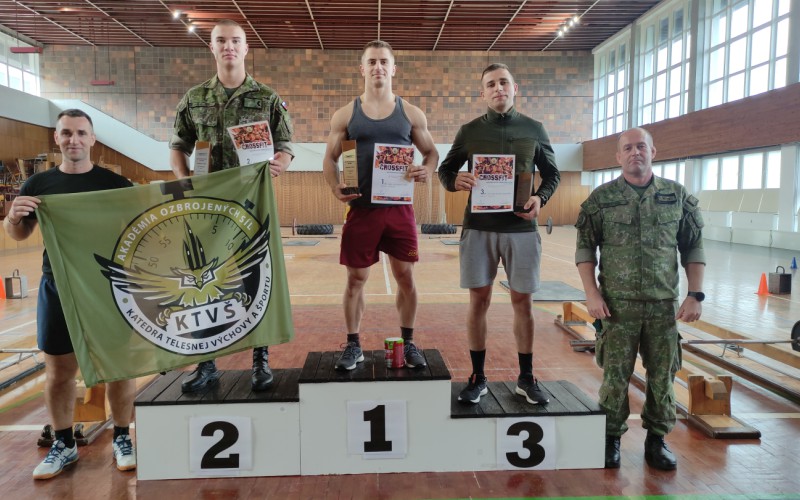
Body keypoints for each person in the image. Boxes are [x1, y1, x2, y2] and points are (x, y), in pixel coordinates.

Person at [4, 109, 137, 479]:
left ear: (92, 139)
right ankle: (64, 443)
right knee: (59, 370)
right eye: (66, 133)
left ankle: (122, 437)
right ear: (57, 138)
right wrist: (12, 217)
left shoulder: (116, 184)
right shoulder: (38, 185)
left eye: (80, 133)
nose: (73, 139)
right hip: (58, 286)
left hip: (106, 286)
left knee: (118, 366)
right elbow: (19, 233)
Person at [169, 19, 294, 393]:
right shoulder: (194, 99)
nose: (228, 47)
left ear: (245, 48)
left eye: (235, 41)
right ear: (211, 47)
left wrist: (281, 163)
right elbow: (178, 146)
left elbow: (286, 146)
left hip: (251, 206)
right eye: (221, 40)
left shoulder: (267, 98)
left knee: (255, 280)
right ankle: (207, 365)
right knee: (203, 284)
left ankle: (260, 360)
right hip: (205, 210)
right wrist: (183, 181)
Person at [574, 127, 705, 471]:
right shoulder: (601, 199)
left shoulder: (677, 196)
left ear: (653, 151)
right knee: (615, 376)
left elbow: (694, 247)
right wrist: (591, 293)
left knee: (662, 378)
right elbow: (585, 249)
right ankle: (610, 437)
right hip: (616, 307)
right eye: (628, 148)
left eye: (641, 147)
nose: (636, 152)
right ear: (618, 156)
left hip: (664, 307)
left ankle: (657, 440)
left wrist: (695, 295)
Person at [438, 63, 560, 406]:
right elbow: (445, 170)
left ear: (515, 88)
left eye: (504, 82)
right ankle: (477, 377)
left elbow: (552, 174)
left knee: (524, 303)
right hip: (479, 228)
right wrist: (454, 181)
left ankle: (526, 377)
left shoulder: (534, 129)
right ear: (483, 93)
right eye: (491, 84)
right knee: (479, 301)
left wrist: (540, 198)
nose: (498, 89)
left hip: (521, 229)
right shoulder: (469, 131)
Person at [322, 40, 438, 370]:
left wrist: (427, 170)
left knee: (406, 277)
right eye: (372, 62)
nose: (378, 67)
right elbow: (329, 159)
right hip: (361, 209)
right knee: (356, 280)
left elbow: (431, 153)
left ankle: (409, 342)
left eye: (384, 62)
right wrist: (334, 187)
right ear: (362, 68)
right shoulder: (346, 114)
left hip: (399, 210)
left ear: (393, 69)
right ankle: (353, 344)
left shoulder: (411, 113)